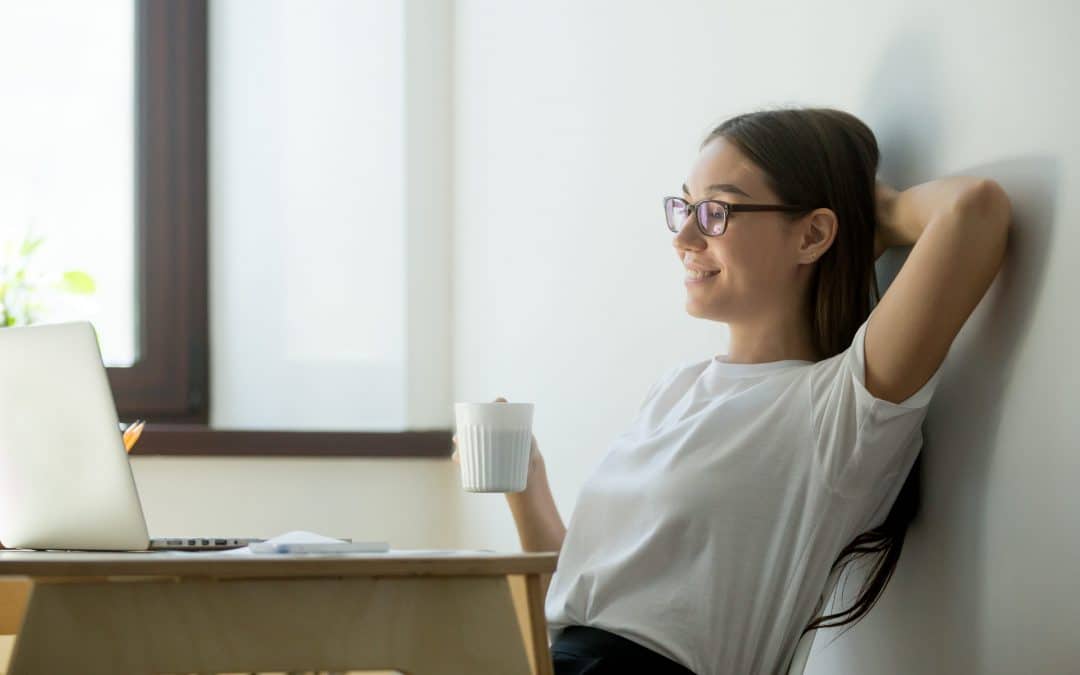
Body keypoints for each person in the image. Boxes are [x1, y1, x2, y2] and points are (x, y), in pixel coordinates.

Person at [453, 107, 1012, 674]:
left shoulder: (838, 409)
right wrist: (527, 484)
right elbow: (576, 607)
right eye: (684, 208)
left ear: (813, 233)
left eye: (716, 211)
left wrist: (875, 212)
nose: (685, 237)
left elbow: (973, 210)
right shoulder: (676, 389)